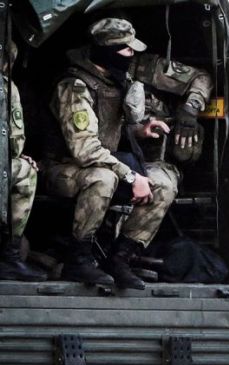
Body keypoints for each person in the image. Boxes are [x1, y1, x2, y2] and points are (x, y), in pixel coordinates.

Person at [45, 17, 212, 289]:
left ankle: (121, 257)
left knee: (164, 183)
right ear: (106, 51)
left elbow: (108, 132)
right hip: (64, 168)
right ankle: (79, 258)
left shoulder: (115, 77)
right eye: (125, 49)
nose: (132, 55)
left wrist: (140, 130)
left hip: (104, 163)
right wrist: (132, 177)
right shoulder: (74, 86)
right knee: (103, 179)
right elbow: (85, 149)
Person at [0, 39, 46, 282]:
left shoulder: (8, 87)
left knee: (25, 169)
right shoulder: (6, 88)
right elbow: (15, 139)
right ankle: (10, 257)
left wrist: (15, 157)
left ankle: (10, 256)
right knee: (25, 171)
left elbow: (14, 142)